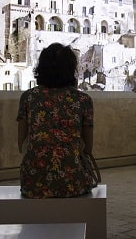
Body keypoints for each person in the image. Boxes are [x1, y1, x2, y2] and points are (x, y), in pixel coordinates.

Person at [16, 43, 95, 198]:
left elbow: (22, 145)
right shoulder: (83, 100)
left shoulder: (29, 97)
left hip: (33, 182)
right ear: (71, 69)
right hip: (73, 182)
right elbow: (88, 149)